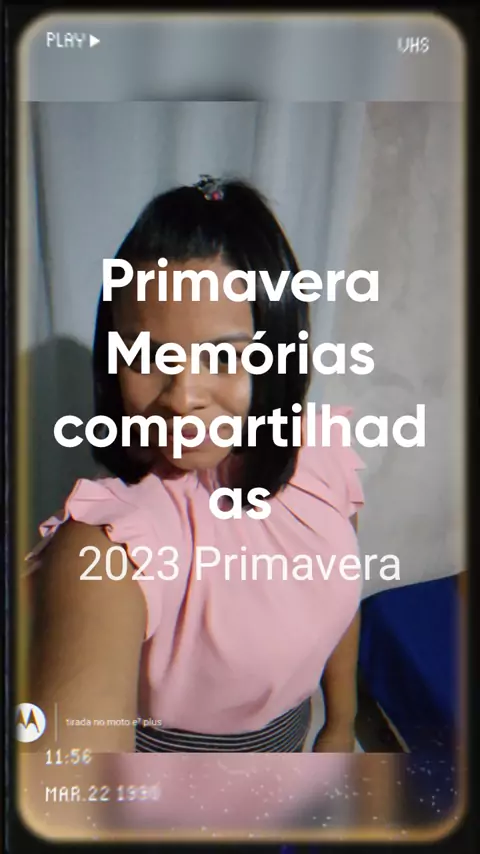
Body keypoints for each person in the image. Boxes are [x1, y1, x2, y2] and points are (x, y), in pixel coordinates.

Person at [23, 176, 364, 753]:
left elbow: (340, 593)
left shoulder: (320, 455)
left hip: (293, 749)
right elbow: (72, 771)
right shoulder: (109, 542)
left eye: (225, 356)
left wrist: (340, 723)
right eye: (146, 355)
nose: (182, 397)